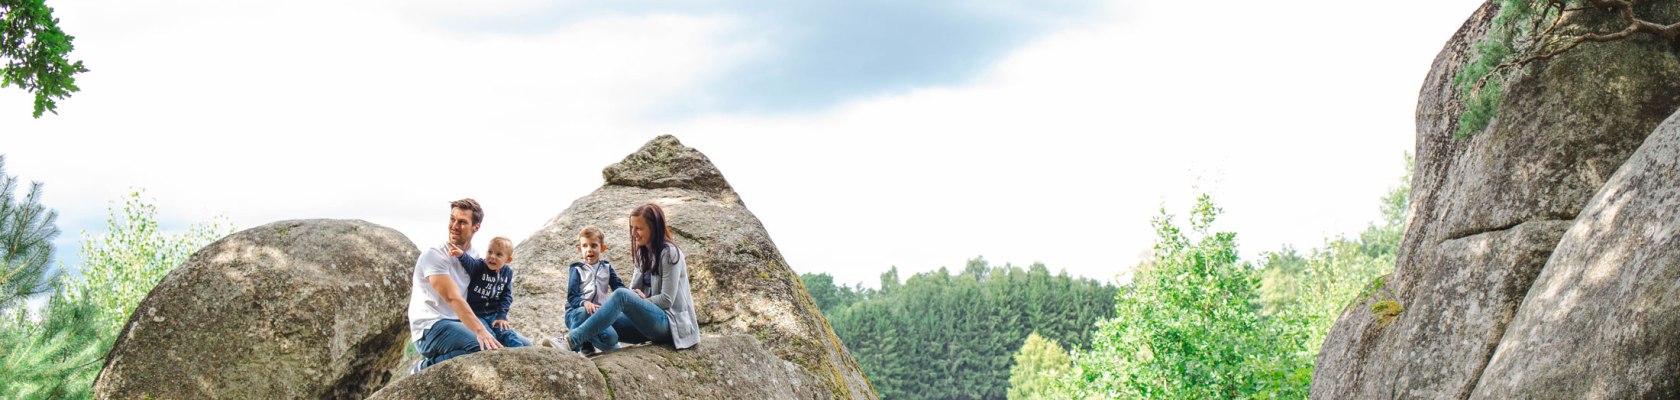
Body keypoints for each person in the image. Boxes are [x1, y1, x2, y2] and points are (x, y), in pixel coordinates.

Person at [555, 203, 700, 352]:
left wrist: (643, 300)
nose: (633, 233)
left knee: (621, 295)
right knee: (592, 313)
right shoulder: (641, 253)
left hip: (670, 324)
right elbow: (633, 293)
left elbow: (666, 300)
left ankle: (571, 340)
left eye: (639, 228)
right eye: (632, 228)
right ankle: (581, 346)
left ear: (654, 228)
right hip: (647, 326)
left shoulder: (670, 253)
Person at [406, 198, 504, 372]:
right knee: (481, 346)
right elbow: (453, 298)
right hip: (430, 327)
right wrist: (480, 331)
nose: (454, 226)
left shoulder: (474, 257)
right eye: (452, 219)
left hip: (458, 324)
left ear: (476, 227)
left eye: (462, 222)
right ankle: (425, 368)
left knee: (519, 345)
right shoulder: (435, 255)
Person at [448, 235, 530, 348]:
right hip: (476, 314)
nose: (492, 256)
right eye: (489, 252)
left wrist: (502, 316)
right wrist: (461, 254)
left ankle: (521, 354)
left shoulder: (507, 272)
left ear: (508, 260)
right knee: (489, 336)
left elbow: (506, 296)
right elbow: (469, 262)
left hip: (494, 314)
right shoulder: (479, 266)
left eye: (498, 254)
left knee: (507, 333)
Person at [564, 226, 626, 354]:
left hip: (598, 315)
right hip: (576, 313)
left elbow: (618, 287)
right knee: (584, 312)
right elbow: (572, 297)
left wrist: (631, 295)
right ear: (580, 249)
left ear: (602, 248)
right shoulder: (576, 269)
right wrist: (584, 303)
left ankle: (587, 342)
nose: (589, 250)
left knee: (612, 338)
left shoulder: (607, 268)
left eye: (593, 245)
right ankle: (570, 347)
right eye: (585, 246)